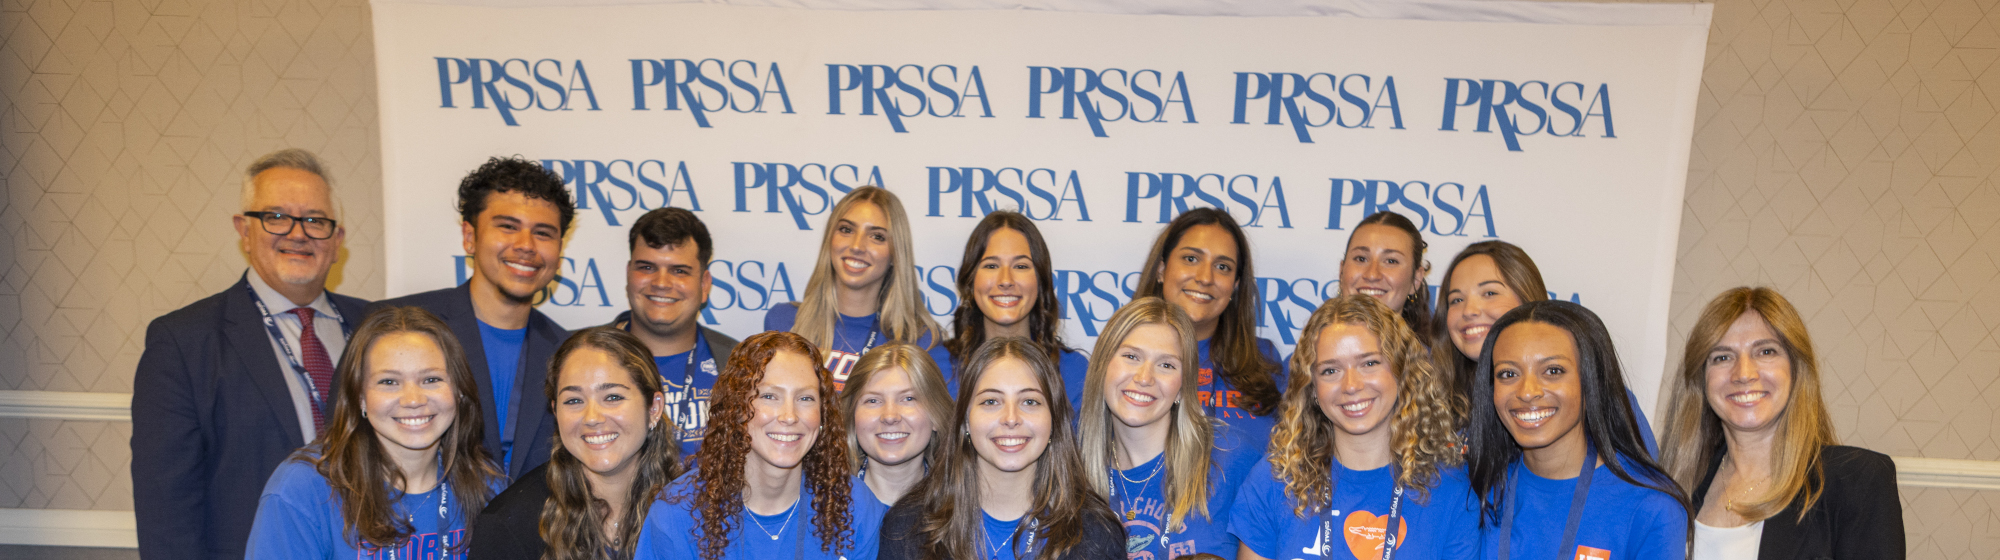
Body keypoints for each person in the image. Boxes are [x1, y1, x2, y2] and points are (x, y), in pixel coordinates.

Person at [133, 148, 372, 559]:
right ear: (244, 230)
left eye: (315, 220)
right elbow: (166, 510)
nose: (298, 234)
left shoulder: (376, 327)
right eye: (276, 216)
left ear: (337, 241)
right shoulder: (183, 342)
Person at [244, 306, 506, 558]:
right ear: (360, 398)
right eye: (389, 382)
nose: (413, 399)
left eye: (431, 379)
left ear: (459, 391)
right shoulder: (303, 490)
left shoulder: (488, 486)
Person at [370, 156, 574, 479]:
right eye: (507, 227)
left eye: (543, 233)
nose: (526, 246)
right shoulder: (391, 329)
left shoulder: (569, 352)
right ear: (469, 237)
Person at [1660, 288, 1903, 559]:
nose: (1743, 374)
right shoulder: (1674, 487)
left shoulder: (1858, 482)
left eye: (1765, 351)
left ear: (1796, 369)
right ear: (1701, 380)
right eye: (1722, 357)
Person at [1231, 295, 1478, 560]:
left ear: (1402, 371)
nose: (1351, 385)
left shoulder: (1451, 491)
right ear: (1312, 387)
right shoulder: (1274, 481)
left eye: (1369, 363)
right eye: (1330, 371)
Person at [633, 331, 887, 560]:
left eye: (805, 398)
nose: (789, 416)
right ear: (737, 409)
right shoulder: (677, 514)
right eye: (769, 396)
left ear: (823, 413)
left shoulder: (853, 506)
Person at [1466, 301, 1690, 560]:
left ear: (1591, 382)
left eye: (1553, 371)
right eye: (1508, 374)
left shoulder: (1651, 508)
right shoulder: (1477, 490)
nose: (1527, 392)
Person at [879, 337, 1124, 560]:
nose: (1010, 418)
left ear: (1054, 420)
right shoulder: (907, 527)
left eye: (1030, 401)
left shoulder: (1097, 535)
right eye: (991, 401)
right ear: (965, 420)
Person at [468, 327, 686, 560]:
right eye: (573, 400)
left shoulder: (693, 511)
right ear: (555, 412)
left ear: (654, 408)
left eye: (612, 397)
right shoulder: (508, 526)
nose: (592, 417)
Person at [1434, 241, 1659, 454]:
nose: (1469, 310)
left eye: (1490, 293)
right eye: (1456, 300)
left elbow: (1643, 482)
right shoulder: (1434, 397)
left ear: (1528, 301)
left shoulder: (1590, 392)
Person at [1077, 297, 1253, 558]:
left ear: (1183, 387)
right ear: (1102, 367)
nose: (1144, 378)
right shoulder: (1069, 472)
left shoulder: (1233, 461)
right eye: (1131, 356)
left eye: (1166, 365)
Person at [1131, 208, 1284, 455]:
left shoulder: (1264, 360)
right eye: (1191, 259)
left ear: (1235, 285)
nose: (1205, 277)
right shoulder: (1120, 356)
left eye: (1222, 266)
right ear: (1161, 269)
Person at [765, 186, 941, 388]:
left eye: (877, 236)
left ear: (896, 253)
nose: (857, 246)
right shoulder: (782, 322)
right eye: (846, 230)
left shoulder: (921, 341)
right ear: (830, 240)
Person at [606, 207, 741, 458]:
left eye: (679, 271)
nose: (661, 283)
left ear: (704, 285)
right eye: (646, 267)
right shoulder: (577, 357)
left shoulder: (739, 363)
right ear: (628, 275)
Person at [933, 211, 1089, 403]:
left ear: (1040, 281)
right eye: (991, 266)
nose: (1006, 280)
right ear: (970, 280)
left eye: (1021, 266)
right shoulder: (936, 369)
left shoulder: (1074, 373)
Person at [840, 343, 953, 506]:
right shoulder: (822, 504)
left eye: (908, 399)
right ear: (852, 417)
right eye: (873, 400)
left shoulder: (964, 505)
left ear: (936, 414)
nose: (890, 416)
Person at [1340, 211, 1434, 337]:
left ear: (1416, 280)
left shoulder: (1427, 357)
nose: (1372, 275)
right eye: (1361, 259)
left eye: (1391, 261)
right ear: (1341, 271)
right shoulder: (1308, 354)